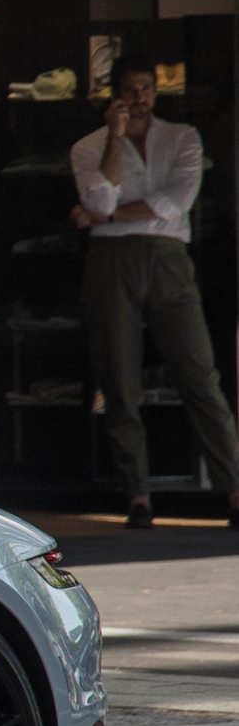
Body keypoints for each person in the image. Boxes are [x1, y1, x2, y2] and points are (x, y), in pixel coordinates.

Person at [68, 67, 239, 529]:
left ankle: (234, 489)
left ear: (155, 92)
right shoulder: (90, 145)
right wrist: (115, 137)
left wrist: (104, 218)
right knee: (118, 381)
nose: (139, 97)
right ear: (115, 96)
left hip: (168, 259)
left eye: (146, 89)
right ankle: (137, 496)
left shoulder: (183, 137)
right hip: (112, 262)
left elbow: (175, 202)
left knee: (199, 375)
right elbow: (100, 201)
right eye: (129, 91)